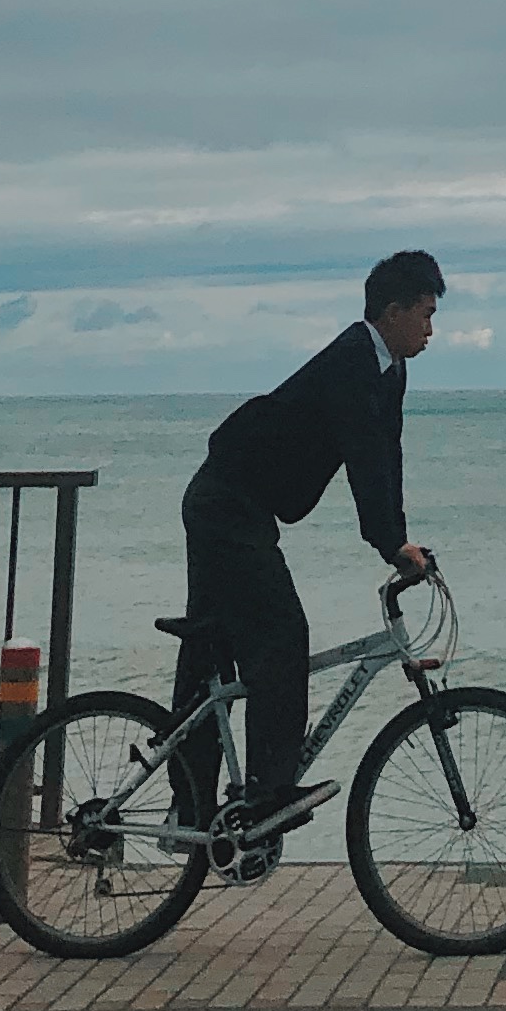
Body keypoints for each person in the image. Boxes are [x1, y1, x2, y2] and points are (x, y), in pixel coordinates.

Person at [173, 249, 442, 837]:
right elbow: (362, 454)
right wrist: (391, 545)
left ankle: (192, 807)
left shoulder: (390, 369)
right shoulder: (353, 363)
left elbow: (385, 457)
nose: (431, 329)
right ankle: (266, 796)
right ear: (391, 312)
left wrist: (396, 537)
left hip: (242, 503)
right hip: (227, 501)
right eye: (425, 313)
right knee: (280, 633)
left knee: (214, 647)